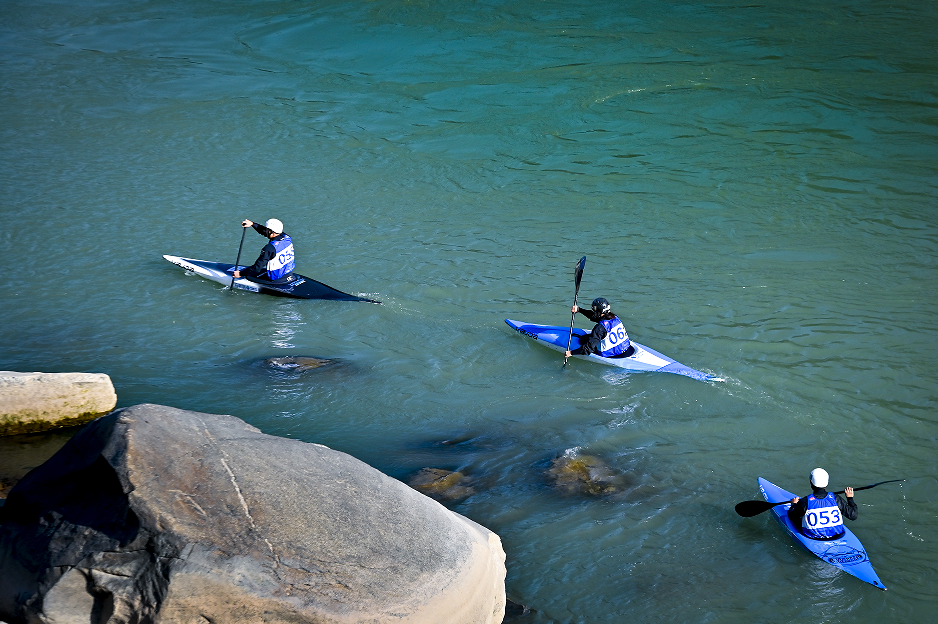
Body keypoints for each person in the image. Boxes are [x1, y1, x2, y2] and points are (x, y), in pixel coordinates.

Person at [787, 468, 857, 540]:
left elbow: (791, 516)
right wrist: (850, 498)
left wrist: (794, 505)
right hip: (836, 536)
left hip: (814, 538)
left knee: (798, 517)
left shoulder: (805, 501)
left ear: (811, 483)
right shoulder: (836, 498)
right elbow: (853, 515)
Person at [564, 297, 633, 359]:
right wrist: (579, 309)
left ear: (599, 311)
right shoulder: (615, 318)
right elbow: (594, 317)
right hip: (625, 348)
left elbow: (588, 350)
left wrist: (571, 353)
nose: (594, 311)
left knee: (583, 339)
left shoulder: (599, 328)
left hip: (610, 354)